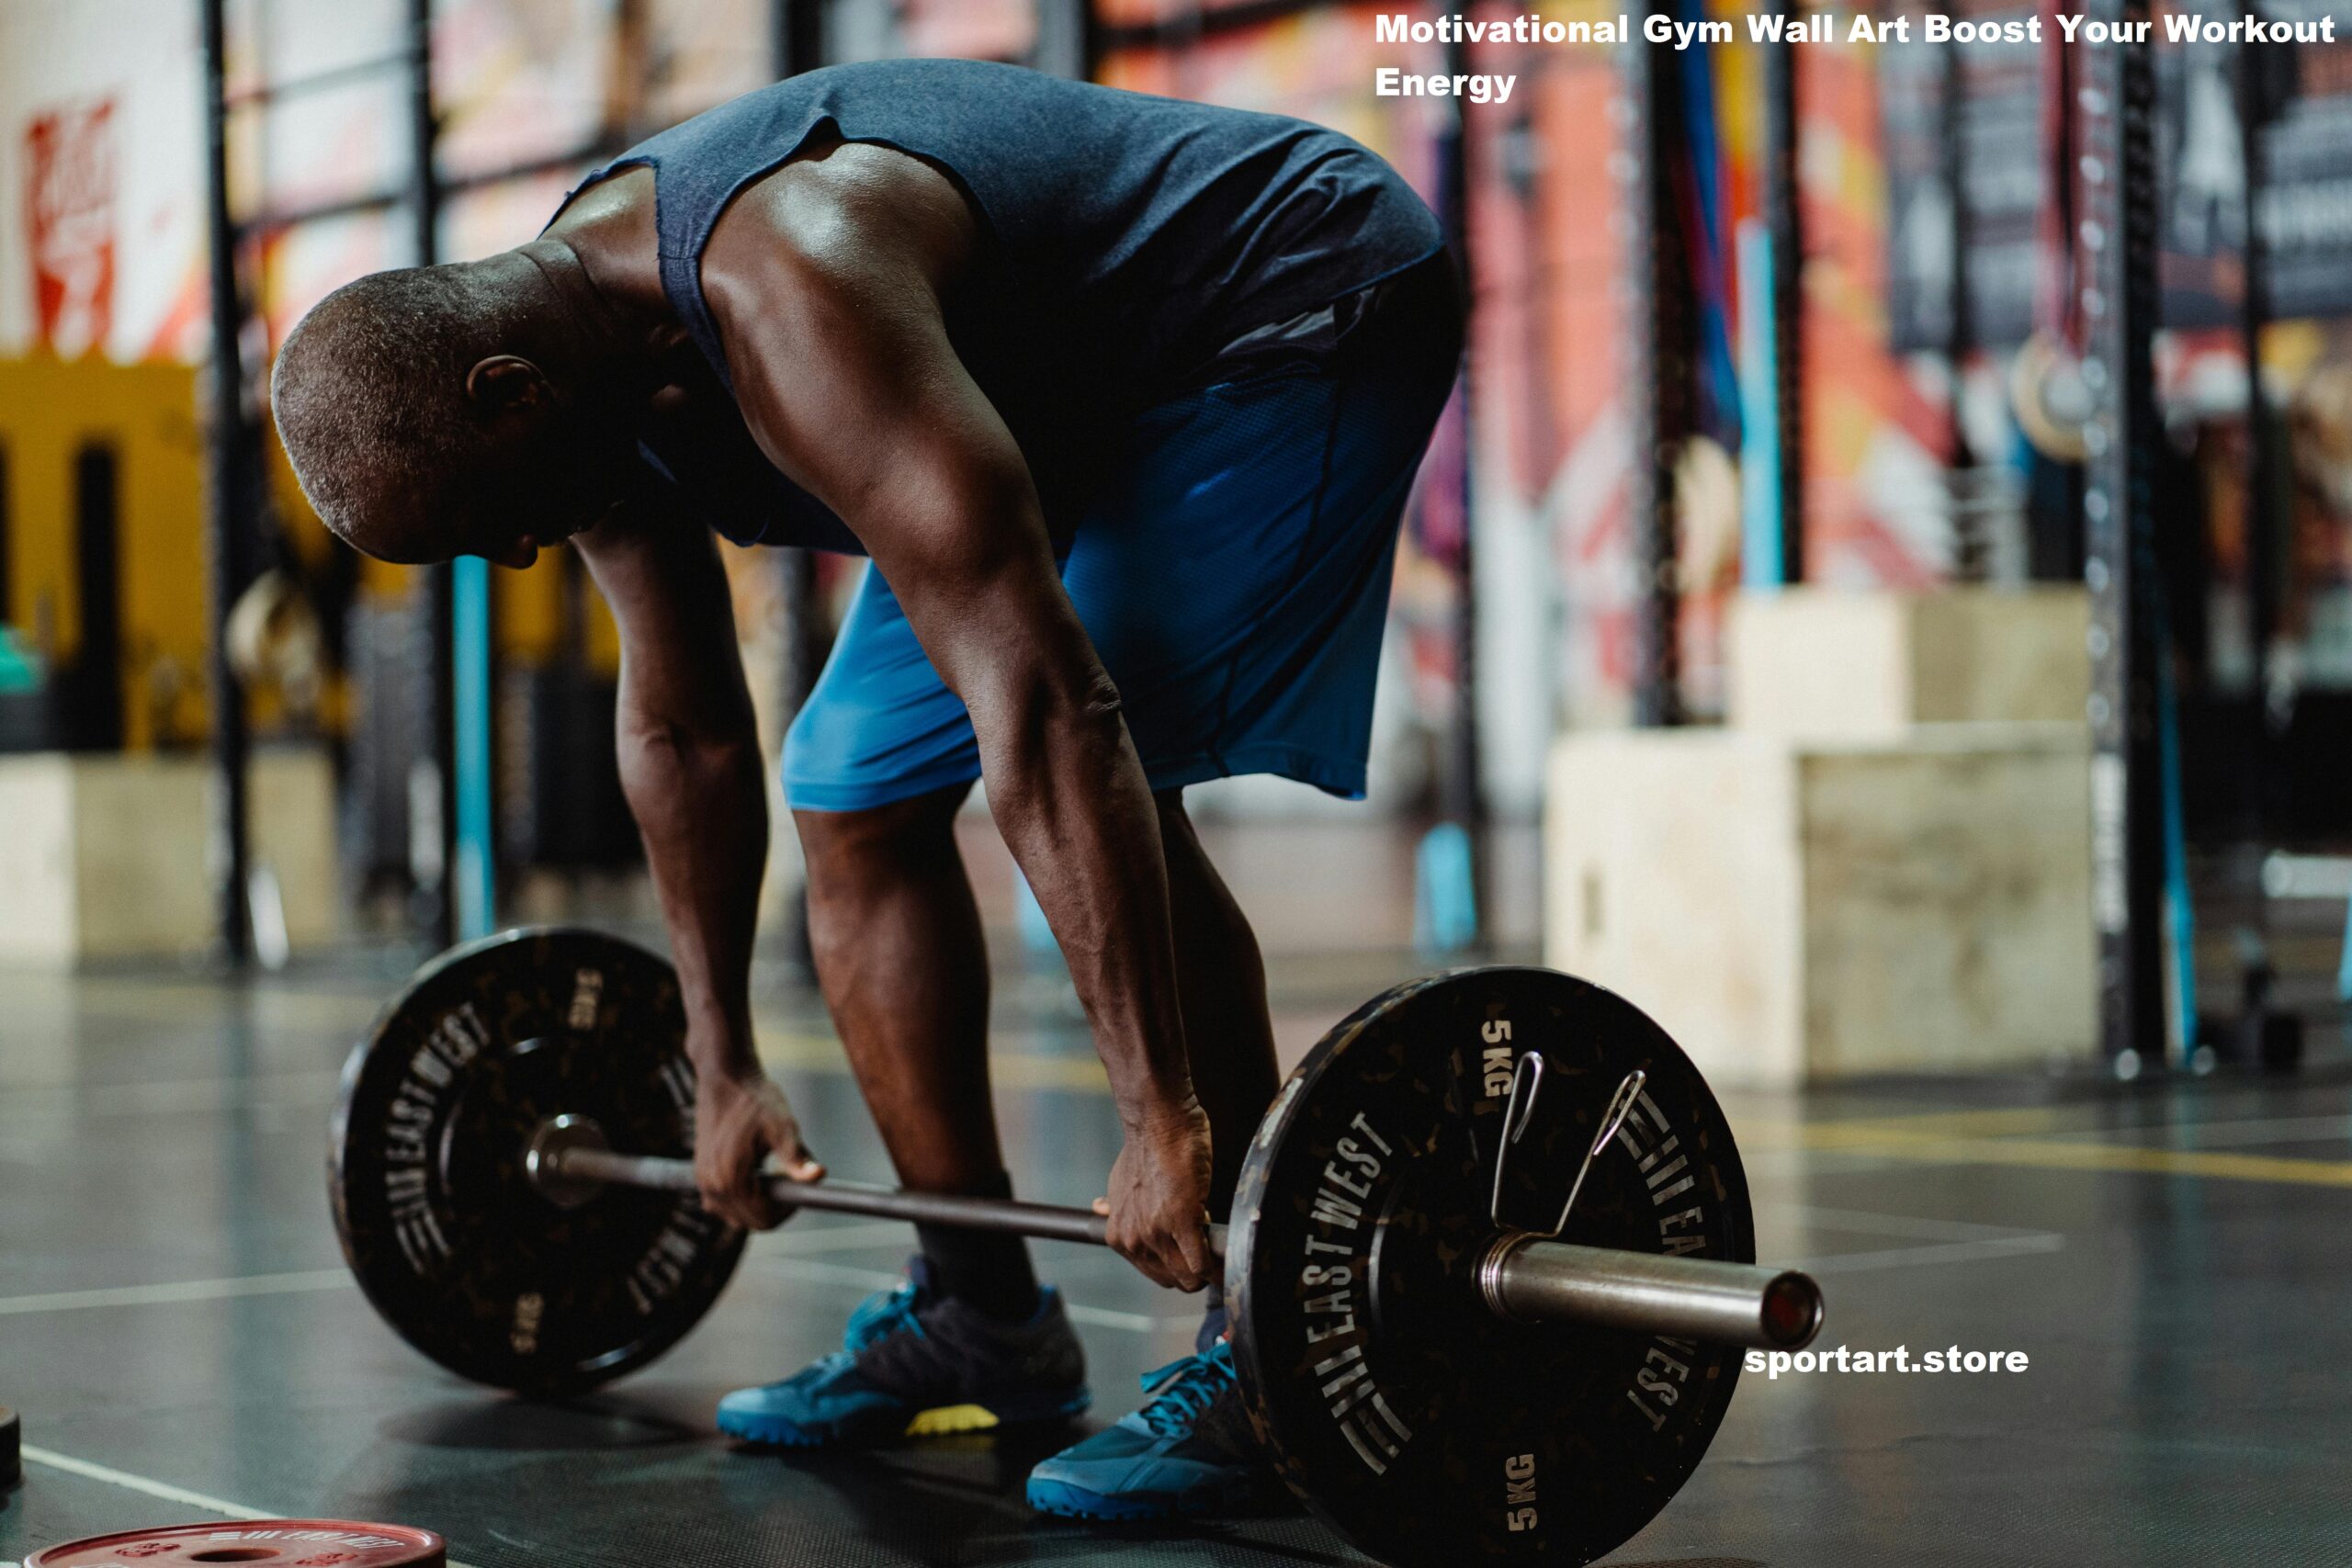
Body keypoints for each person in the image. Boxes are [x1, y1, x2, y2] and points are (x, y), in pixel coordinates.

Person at [271, 57, 1459, 1521]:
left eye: (485, 529)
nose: (517, 558)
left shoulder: (792, 293)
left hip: (1286, 302)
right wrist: (719, 1063)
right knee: (846, 788)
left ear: (501, 392)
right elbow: (689, 732)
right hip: (1047, 392)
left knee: (1107, 746)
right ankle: (983, 1314)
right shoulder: (571, 382)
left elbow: (1046, 705)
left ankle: (1268, 1354)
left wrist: (1156, 1120)